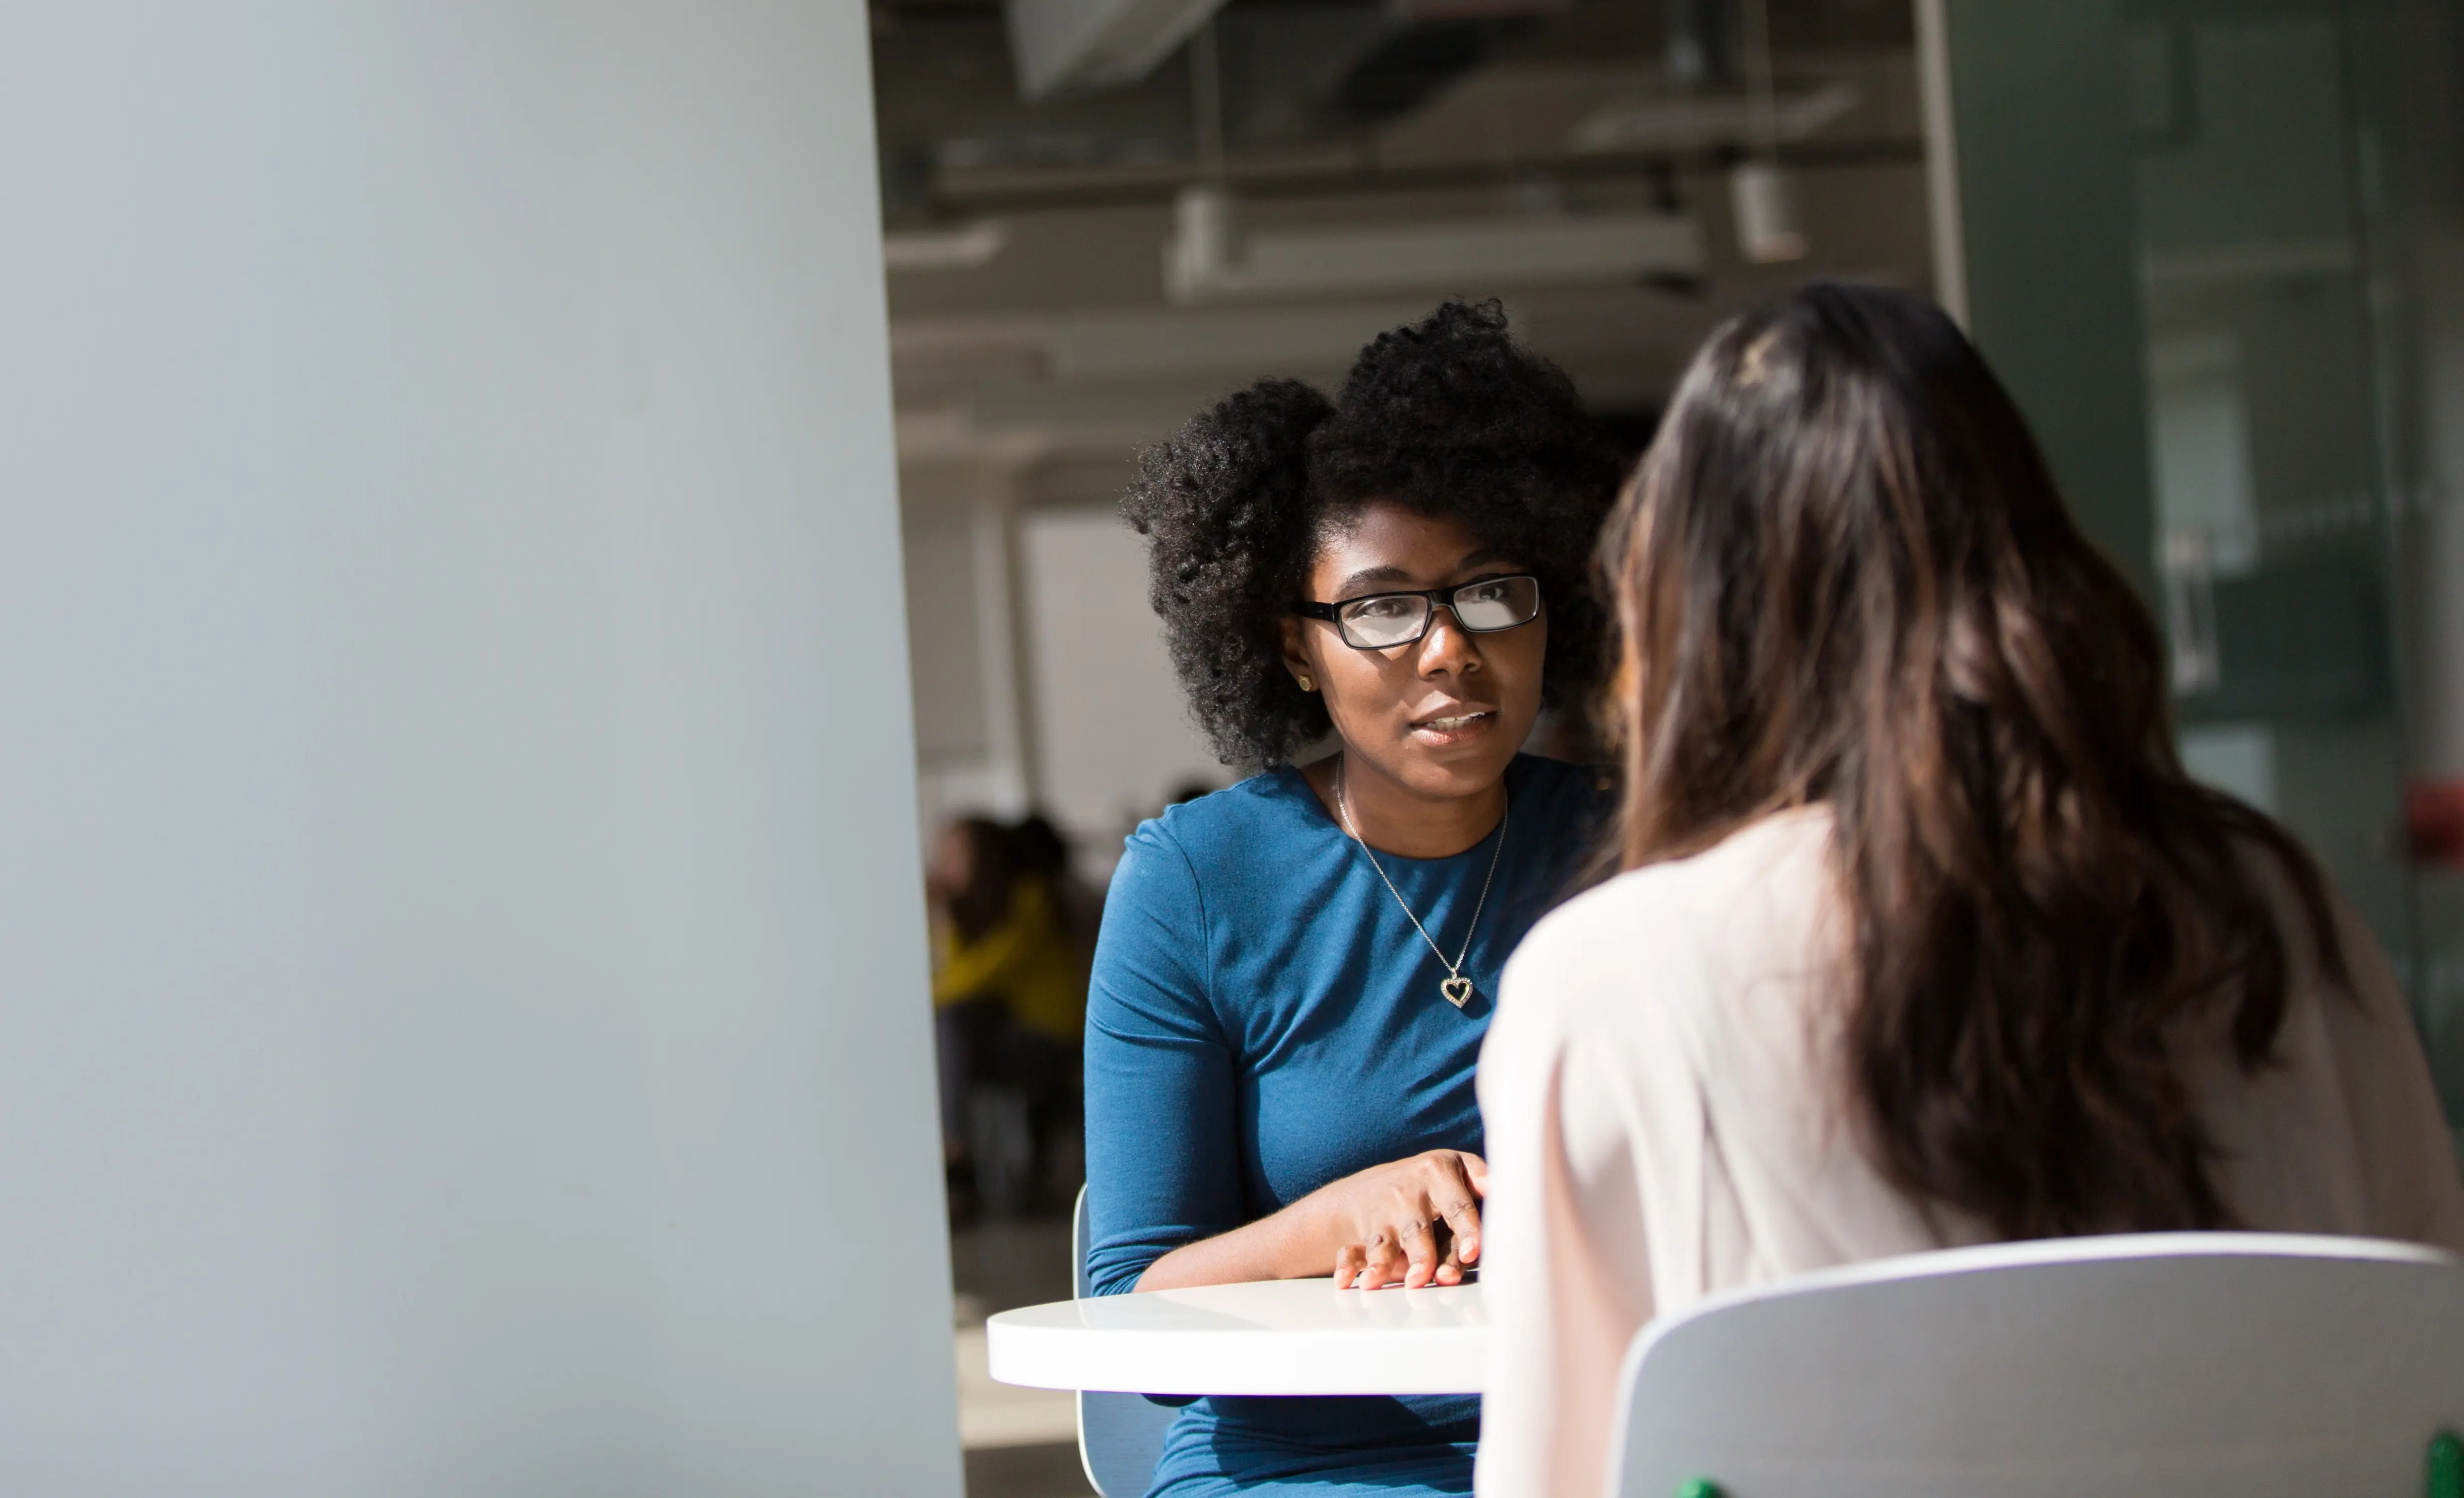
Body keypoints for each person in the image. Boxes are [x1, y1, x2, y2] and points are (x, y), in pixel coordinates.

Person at [1474, 284, 2464, 1498]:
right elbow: (2431, 1379)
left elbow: (1549, 1478)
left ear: (1692, 616)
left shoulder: (1612, 982)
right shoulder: (2272, 906)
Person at [1090, 300, 1623, 1498]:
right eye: (1382, 608)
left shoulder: (1625, 843)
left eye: (1491, 592)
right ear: (1291, 647)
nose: (1448, 648)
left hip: (1603, 1440)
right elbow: (1129, 1311)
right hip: (1305, 1464)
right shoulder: (1194, 880)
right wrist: (1340, 1217)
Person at [930, 814, 1087, 1220]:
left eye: (954, 856)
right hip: (1009, 1034)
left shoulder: (1029, 900)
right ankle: (954, 1157)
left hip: (1049, 1039)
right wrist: (946, 917)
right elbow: (960, 975)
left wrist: (919, 1000)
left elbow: (983, 975)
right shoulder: (972, 913)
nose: (944, 867)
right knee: (950, 1029)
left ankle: (954, 1155)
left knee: (949, 1027)